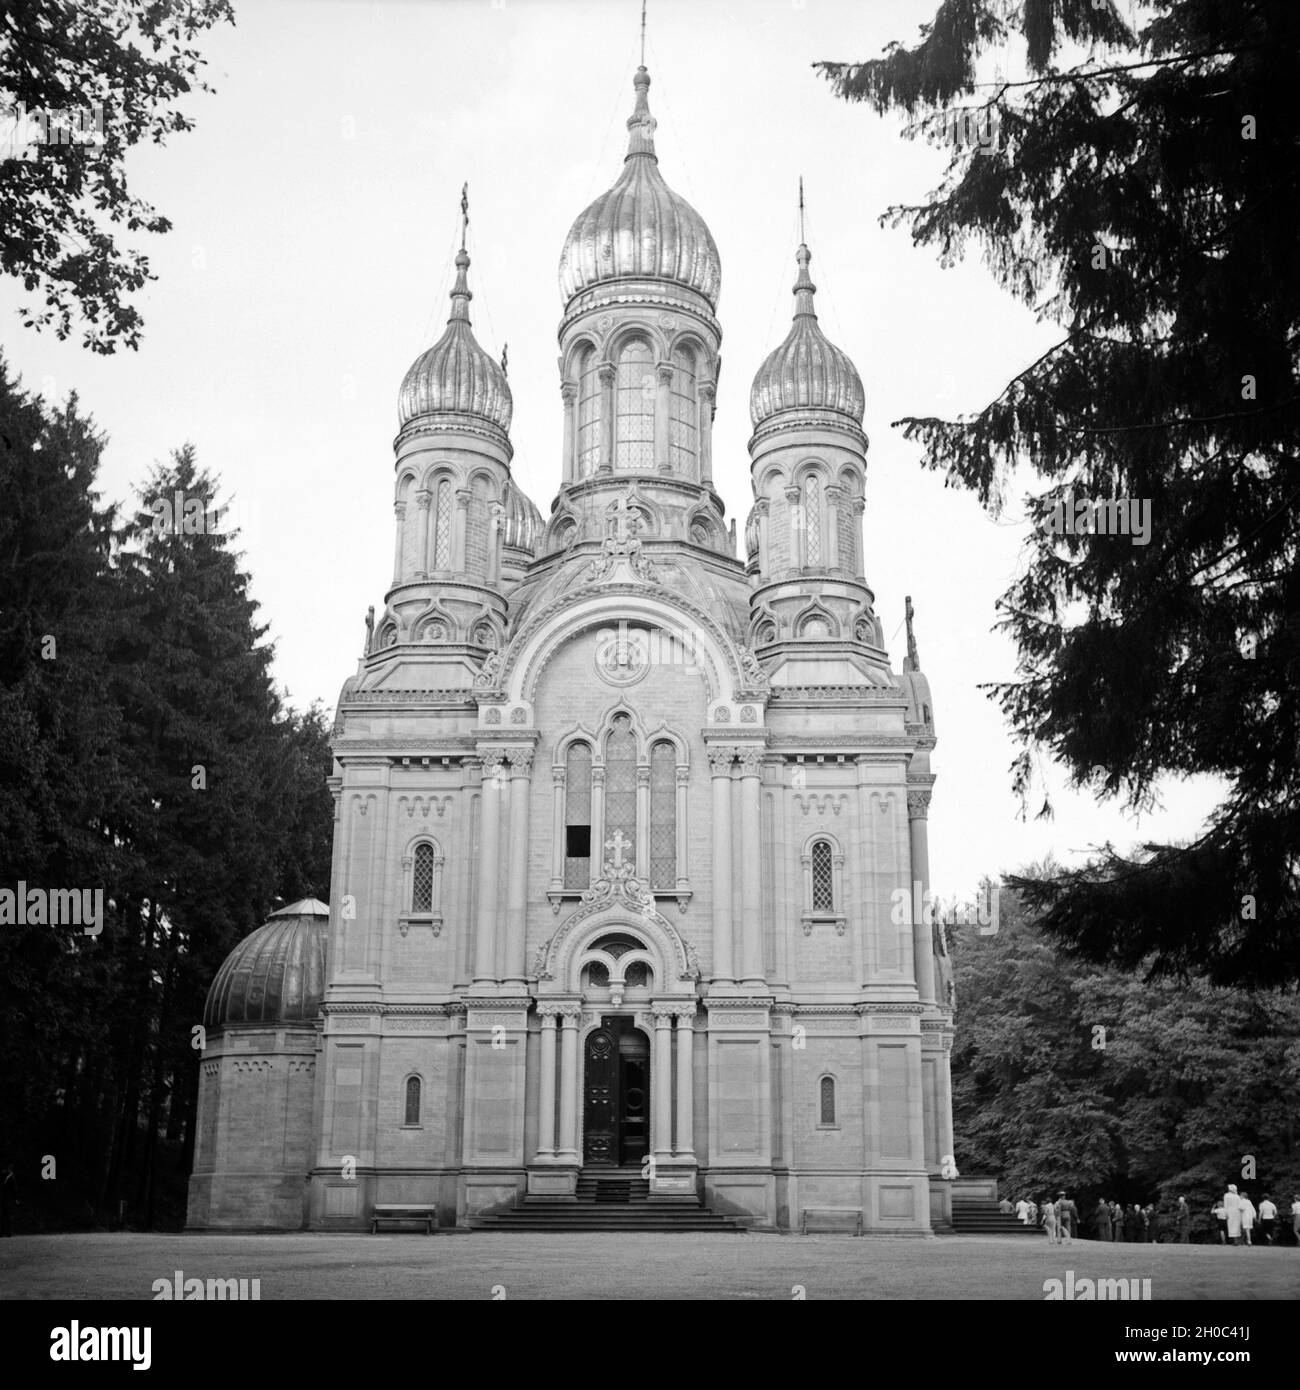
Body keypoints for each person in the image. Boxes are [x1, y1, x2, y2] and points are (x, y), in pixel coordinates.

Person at [0, 1162, 16, 1237]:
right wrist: (16, 1198)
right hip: (8, 1199)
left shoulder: (6, 1176)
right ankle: (7, 1233)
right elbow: (14, 1190)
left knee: (5, 1216)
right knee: (7, 1216)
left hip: (5, 1199)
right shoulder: (10, 1177)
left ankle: (4, 1232)